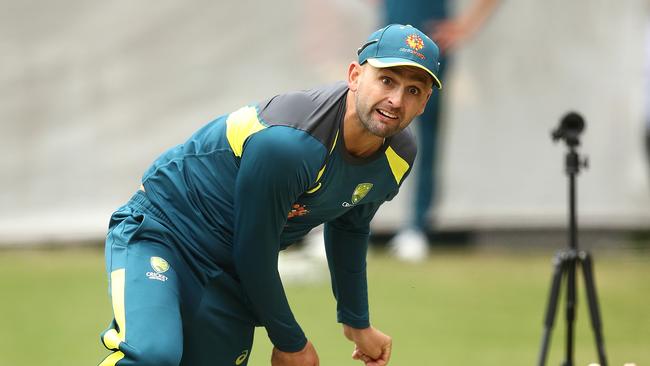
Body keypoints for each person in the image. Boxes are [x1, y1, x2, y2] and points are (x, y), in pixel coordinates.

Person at [98, 23, 442, 366]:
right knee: (153, 356)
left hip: (230, 270)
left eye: (413, 90)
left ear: (425, 102)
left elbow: (350, 225)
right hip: (164, 233)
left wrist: (356, 321)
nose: (396, 100)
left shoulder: (398, 157)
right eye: (387, 80)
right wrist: (290, 341)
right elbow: (253, 249)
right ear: (354, 76)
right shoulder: (289, 144)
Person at [385, 0, 499, 262]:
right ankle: (350, 220)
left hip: (429, 46)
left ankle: (416, 228)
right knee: (372, 133)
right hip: (387, 45)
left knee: (427, 136)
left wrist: (466, 27)